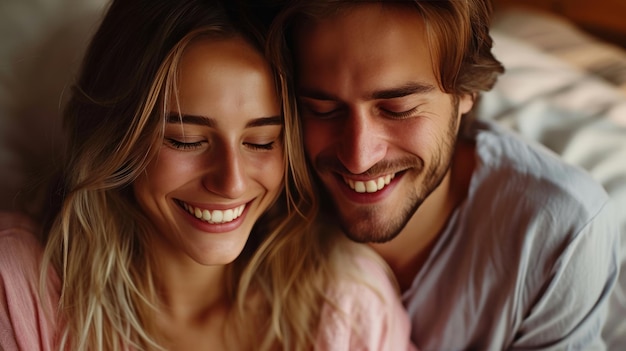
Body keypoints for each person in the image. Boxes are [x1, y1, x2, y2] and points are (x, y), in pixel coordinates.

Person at [0, 0, 415, 350]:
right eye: (185, 140)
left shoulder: (349, 306)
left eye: (261, 141)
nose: (231, 182)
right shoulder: (18, 288)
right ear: (115, 137)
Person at [267, 0, 621, 349]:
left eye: (397, 110)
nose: (358, 159)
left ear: (466, 90)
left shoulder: (559, 233)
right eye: (323, 110)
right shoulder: (264, 196)